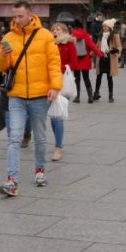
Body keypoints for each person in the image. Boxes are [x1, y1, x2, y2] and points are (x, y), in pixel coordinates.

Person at [0, 0, 62, 197]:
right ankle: (12, 180)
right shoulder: (8, 36)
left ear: (30, 14)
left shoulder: (45, 36)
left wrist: (55, 86)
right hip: (16, 95)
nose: (16, 20)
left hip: (40, 95)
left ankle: (40, 170)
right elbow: (2, 67)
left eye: (20, 16)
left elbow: (54, 63)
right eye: (14, 16)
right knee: (14, 138)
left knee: (40, 137)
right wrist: (2, 54)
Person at [50, 21, 78, 161]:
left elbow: (74, 63)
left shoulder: (69, 44)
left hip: (63, 82)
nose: (55, 31)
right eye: (54, 29)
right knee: (53, 115)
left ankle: (58, 147)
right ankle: (58, 141)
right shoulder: (50, 44)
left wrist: (59, 67)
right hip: (50, 81)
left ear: (65, 31)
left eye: (58, 29)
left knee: (58, 115)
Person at [70, 19, 102, 103]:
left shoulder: (72, 35)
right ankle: (90, 97)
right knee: (86, 78)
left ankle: (78, 97)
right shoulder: (85, 35)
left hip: (76, 60)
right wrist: (100, 54)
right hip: (85, 60)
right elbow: (92, 46)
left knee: (77, 79)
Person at [94, 19, 121, 102]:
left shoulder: (115, 35)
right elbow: (97, 46)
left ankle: (110, 95)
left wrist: (115, 50)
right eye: (103, 26)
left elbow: (119, 46)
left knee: (109, 77)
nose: (104, 27)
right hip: (101, 57)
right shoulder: (101, 35)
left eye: (105, 26)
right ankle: (96, 93)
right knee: (98, 76)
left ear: (109, 27)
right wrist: (91, 53)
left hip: (110, 58)